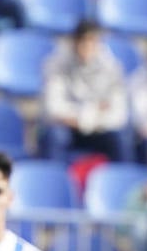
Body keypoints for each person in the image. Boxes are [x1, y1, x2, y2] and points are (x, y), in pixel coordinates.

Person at [40, 20, 129, 163]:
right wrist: (93, 112)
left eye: (92, 41)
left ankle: (123, 182)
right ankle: (53, 182)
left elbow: (118, 114)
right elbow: (54, 109)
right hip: (68, 128)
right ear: (74, 42)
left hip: (100, 128)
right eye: (82, 41)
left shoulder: (112, 67)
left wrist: (90, 120)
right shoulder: (55, 65)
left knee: (121, 137)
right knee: (54, 135)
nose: (87, 46)